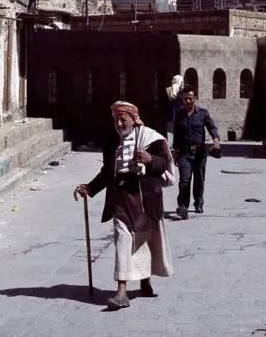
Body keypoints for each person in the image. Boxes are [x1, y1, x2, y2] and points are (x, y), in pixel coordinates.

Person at [76, 101, 174, 311]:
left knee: (144, 241)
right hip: (120, 198)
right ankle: (121, 291)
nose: (119, 123)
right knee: (122, 240)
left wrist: (149, 160)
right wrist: (90, 188)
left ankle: (145, 281)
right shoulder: (112, 141)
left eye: (123, 119)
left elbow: (164, 164)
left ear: (133, 119)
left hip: (144, 199)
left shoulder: (151, 138)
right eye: (116, 120)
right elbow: (107, 171)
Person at [172, 84, 220, 219]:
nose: (188, 101)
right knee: (184, 179)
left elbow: (212, 127)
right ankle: (183, 207)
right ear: (182, 99)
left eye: (190, 98)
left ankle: (198, 203)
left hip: (200, 152)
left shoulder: (203, 113)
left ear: (195, 98)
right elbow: (176, 134)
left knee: (199, 179)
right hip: (184, 153)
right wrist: (175, 152)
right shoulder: (179, 115)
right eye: (185, 99)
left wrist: (216, 140)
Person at [165, 75, 184, 147]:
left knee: (170, 132)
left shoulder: (167, 90)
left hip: (170, 114)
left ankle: (171, 146)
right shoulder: (181, 91)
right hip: (179, 114)